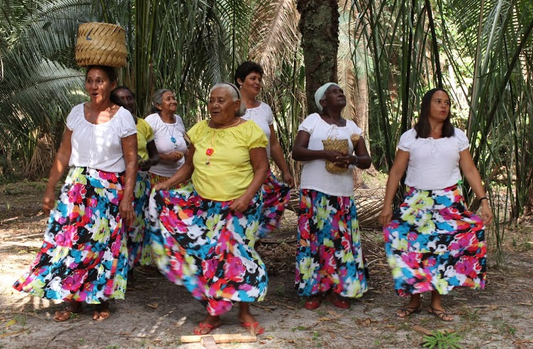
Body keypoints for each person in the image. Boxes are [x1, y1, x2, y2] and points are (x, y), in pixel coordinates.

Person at [13, 66, 138, 322]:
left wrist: (127, 198)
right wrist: (50, 188)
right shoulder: (76, 113)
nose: (94, 86)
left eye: (100, 81)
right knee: (70, 243)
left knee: (102, 246)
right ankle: (71, 299)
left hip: (109, 190)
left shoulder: (123, 117)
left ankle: (98, 299)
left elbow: (132, 161)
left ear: (112, 84)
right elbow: (63, 153)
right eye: (90, 81)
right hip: (77, 188)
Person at [148, 82, 269, 335]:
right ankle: (214, 313)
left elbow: (261, 169)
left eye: (221, 101)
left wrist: (247, 197)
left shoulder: (250, 131)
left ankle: (245, 312)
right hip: (204, 206)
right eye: (211, 100)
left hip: (240, 206)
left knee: (239, 257)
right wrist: (166, 185)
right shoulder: (199, 130)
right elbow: (189, 166)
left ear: (236, 106)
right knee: (211, 259)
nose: (214, 105)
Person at [378, 88, 492, 321]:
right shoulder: (410, 137)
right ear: (427, 105)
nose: (444, 106)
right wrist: (387, 205)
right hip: (416, 201)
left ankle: (436, 302)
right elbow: (397, 171)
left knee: (446, 247)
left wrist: (484, 200)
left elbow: (469, 170)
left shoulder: (457, 137)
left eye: (447, 103)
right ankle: (414, 299)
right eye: (438, 101)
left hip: (449, 201)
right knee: (410, 246)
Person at [292, 82, 371, 310]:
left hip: (341, 193)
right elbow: (297, 151)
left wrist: (352, 159)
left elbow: (366, 160)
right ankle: (314, 290)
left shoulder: (352, 128)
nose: (341, 94)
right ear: (323, 102)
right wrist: (325, 153)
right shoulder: (312, 121)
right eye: (334, 92)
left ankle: (339, 289)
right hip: (315, 190)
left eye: (341, 91)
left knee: (339, 242)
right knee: (315, 241)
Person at [235, 61, 294, 238]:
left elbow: (273, 143)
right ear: (240, 81)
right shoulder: (231, 107)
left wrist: (285, 171)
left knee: (258, 217)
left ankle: (252, 253)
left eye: (259, 79)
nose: (257, 83)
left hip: (262, 173)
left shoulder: (265, 109)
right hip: (238, 173)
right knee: (239, 217)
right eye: (252, 78)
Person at [111, 87, 159, 270]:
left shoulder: (143, 125)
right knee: (118, 224)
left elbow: (155, 155)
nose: (127, 102)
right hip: (117, 180)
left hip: (139, 182)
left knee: (136, 224)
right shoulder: (109, 123)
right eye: (121, 99)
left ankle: (130, 269)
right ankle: (118, 267)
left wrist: (148, 162)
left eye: (129, 98)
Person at [144, 89, 187, 185]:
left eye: (173, 98)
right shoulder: (152, 120)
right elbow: (142, 148)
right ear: (158, 105)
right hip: (157, 176)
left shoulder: (178, 120)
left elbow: (185, 147)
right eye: (168, 99)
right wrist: (165, 157)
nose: (173, 101)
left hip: (179, 177)